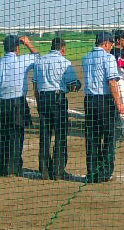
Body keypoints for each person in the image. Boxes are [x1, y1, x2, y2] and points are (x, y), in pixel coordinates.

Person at [0, 35, 39, 176]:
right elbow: (38, 58)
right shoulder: (23, 60)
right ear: (17, 48)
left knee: (1, 136)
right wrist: (28, 43)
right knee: (16, 136)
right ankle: (13, 169)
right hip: (17, 105)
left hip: (1, 103)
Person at [33, 38, 81, 180]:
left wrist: (38, 102)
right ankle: (58, 171)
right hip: (58, 100)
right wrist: (76, 86)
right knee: (60, 136)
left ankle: (44, 171)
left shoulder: (40, 61)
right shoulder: (64, 62)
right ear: (62, 48)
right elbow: (72, 84)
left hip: (42, 99)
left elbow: (35, 86)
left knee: (44, 136)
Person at [81, 32, 124, 183]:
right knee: (108, 137)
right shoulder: (109, 58)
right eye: (111, 44)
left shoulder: (86, 57)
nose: (111, 47)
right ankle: (105, 172)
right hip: (104, 101)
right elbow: (112, 82)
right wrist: (119, 103)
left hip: (89, 101)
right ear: (106, 43)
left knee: (92, 138)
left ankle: (92, 172)